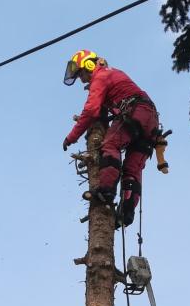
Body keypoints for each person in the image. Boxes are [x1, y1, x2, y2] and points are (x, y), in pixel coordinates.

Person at [61, 49, 161, 228]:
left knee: (110, 145)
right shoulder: (112, 73)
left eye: (81, 74)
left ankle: (105, 192)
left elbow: (91, 110)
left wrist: (71, 137)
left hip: (136, 111)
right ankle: (125, 214)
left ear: (89, 65)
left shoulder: (100, 77)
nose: (82, 79)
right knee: (132, 169)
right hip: (151, 120)